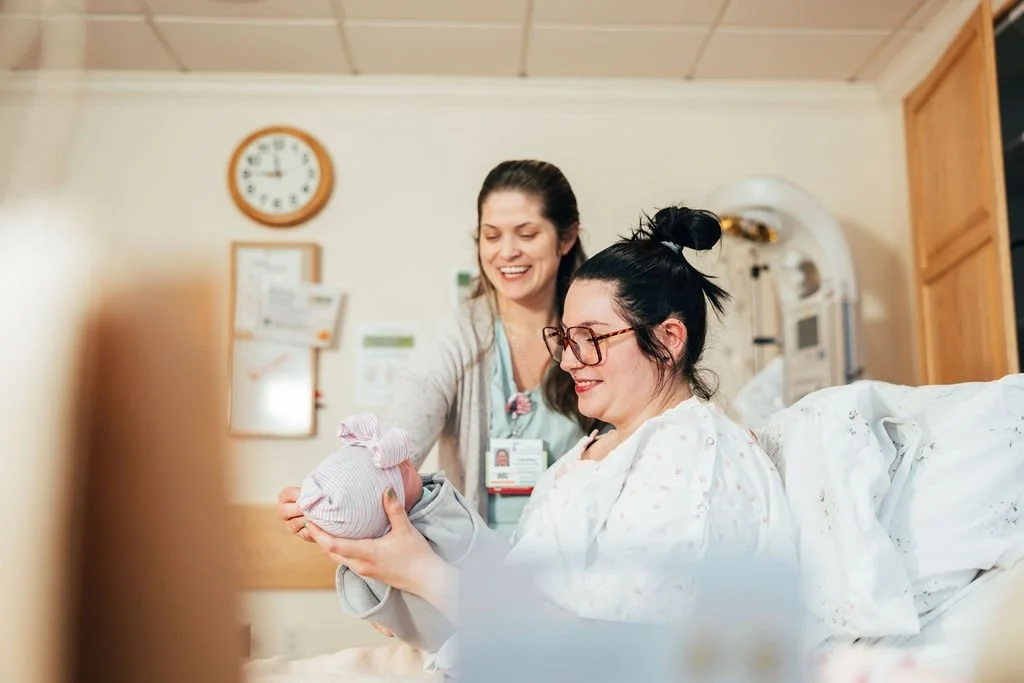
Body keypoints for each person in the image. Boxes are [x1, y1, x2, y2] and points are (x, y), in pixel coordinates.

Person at [299, 206, 798, 670]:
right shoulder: (588, 455)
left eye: (592, 338)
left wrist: (423, 573)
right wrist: (415, 525)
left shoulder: (695, 457)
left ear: (668, 340)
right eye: (565, 338)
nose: (568, 360)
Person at [277, 159, 596, 535]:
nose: (507, 252)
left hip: (576, 563)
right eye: (491, 236)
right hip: (479, 569)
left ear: (566, 237)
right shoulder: (453, 338)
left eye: (526, 234)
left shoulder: (599, 336)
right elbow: (397, 446)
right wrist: (338, 494)